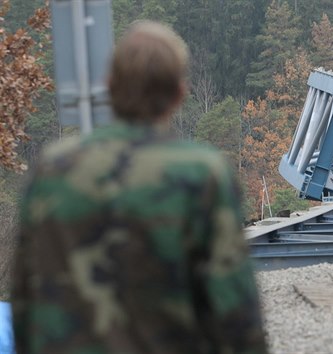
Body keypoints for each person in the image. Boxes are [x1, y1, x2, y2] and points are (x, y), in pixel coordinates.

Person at [11, 21, 268, 354]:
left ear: (110, 87)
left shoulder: (53, 169)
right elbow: (234, 309)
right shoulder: (201, 174)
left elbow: (24, 297)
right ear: (180, 93)